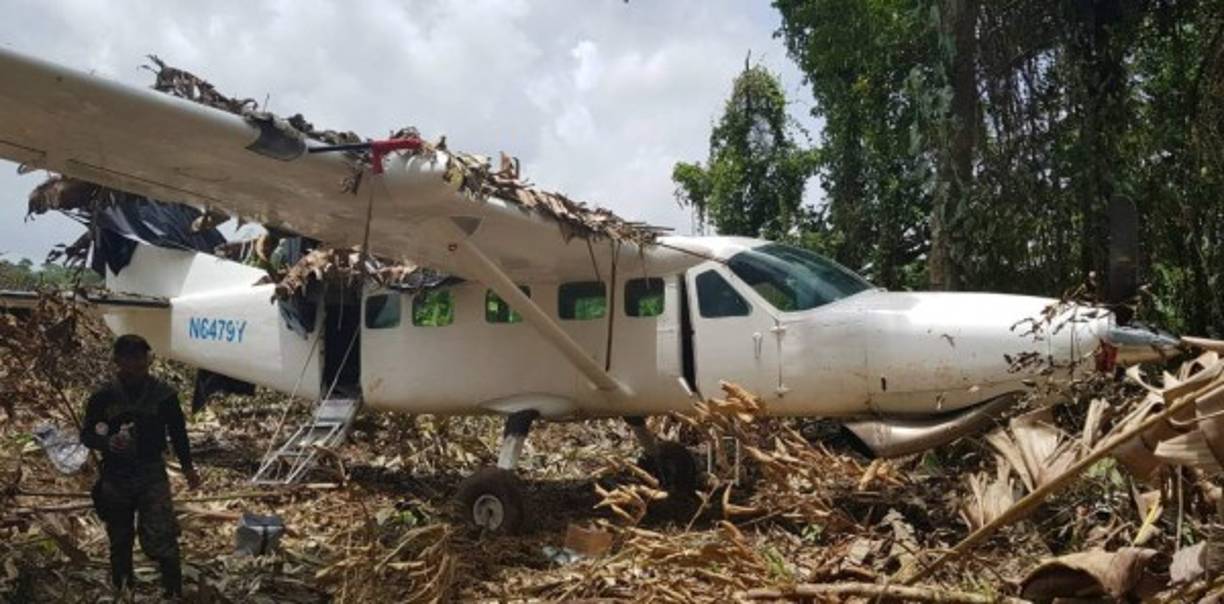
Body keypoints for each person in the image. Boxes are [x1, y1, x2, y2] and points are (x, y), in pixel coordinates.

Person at [81, 334, 201, 598]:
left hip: (151, 473)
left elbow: (178, 433)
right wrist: (107, 442)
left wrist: (188, 468)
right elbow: (86, 435)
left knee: (162, 535)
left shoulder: (164, 395)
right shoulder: (103, 397)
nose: (135, 363)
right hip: (115, 475)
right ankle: (124, 590)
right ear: (117, 360)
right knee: (120, 538)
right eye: (128, 356)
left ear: (148, 359)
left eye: (140, 356)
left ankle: (173, 592)